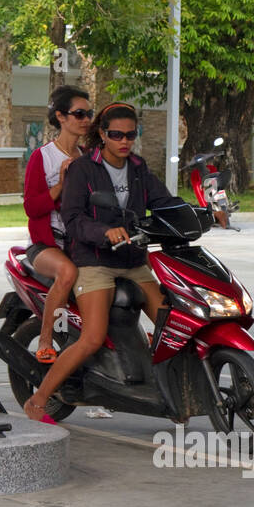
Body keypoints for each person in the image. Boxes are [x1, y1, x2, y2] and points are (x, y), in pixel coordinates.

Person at [23, 103, 178, 422]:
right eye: (116, 134)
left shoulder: (138, 167)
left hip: (132, 259)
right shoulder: (83, 169)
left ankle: (168, 392)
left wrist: (198, 213)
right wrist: (105, 232)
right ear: (103, 135)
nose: (124, 141)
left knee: (170, 322)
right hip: (94, 262)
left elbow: (163, 201)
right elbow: (73, 218)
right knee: (93, 337)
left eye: (130, 134)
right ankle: (37, 401)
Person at [22, 85, 92, 364]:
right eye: (79, 114)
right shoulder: (44, 156)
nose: (86, 119)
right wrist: (62, 184)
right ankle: (45, 339)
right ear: (61, 117)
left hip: (79, 242)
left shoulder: (87, 157)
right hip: (45, 245)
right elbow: (31, 207)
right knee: (66, 271)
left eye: (88, 114)